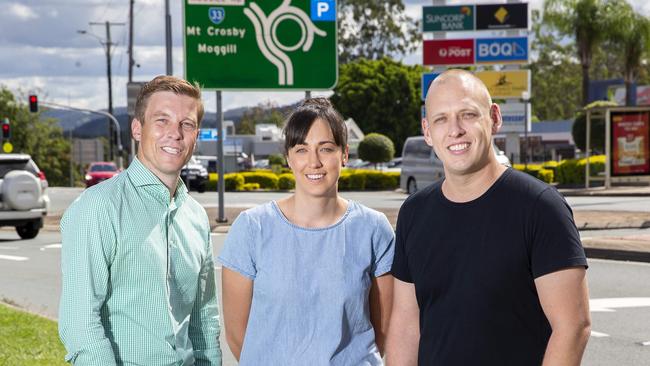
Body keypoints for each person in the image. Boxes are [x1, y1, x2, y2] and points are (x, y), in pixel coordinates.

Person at [386, 69, 591, 365]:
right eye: (441, 119)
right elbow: (406, 326)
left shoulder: (540, 207)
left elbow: (573, 326)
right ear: (427, 131)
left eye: (467, 114)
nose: (454, 130)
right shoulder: (414, 213)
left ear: (494, 117)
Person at [59, 75, 222, 365]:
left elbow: (203, 320)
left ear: (196, 134)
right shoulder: (97, 207)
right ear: (137, 128)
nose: (175, 133)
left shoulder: (195, 216)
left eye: (187, 124)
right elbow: (80, 323)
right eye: (162, 120)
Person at [218, 98, 394, 365]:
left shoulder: (373, 228)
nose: (314, 162)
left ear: (344, 154)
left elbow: (382, 331)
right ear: (288, 157)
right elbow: (237, 335)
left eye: (325, 149)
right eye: (302, 149)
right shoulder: (252, 228)